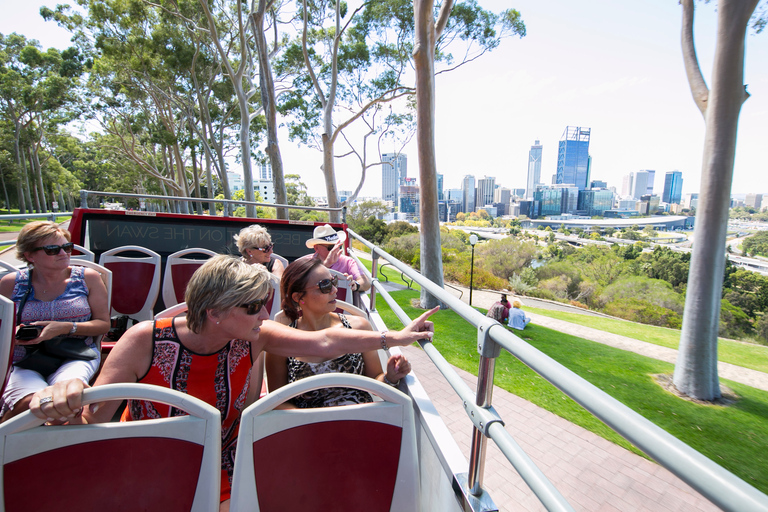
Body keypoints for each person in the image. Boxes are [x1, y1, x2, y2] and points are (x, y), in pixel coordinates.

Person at [28, 255, 436, 511]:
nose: (264, 315)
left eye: (265, 304)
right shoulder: (145, 340)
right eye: (252, 307)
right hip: (149, 461)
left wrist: (394, 338)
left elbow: (325, 341)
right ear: (215, 311)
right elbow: (91, 417)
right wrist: (60, 401)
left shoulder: (255, 336)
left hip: (227, 459)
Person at [0, 221, 110, 421]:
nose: (64, 253)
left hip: (75, 355)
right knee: (30, 403)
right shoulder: (11, 284)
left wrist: (64, 328)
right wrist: (14, 333)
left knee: (64, 404)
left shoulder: (87, 279)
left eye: (67, 247)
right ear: (29, 255)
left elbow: (103, 324)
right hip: (22, 359)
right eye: (53, 249)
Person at [266, 258, 410, 408]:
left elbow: (375, 380)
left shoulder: (359, 327)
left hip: (360, 420)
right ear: (298, 297)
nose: (335, 290)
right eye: (325, 285)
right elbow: (278, 402)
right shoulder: (281, 342)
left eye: (333, 281)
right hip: (308, 427)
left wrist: (390, 377)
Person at [304, 224, 370, 293]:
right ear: (316, 248)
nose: (336, 250)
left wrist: (355, 284)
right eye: (331, 247)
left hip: (341, 304)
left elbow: (366, 283)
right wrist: (324, 266)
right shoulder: (305, 262)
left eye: (338, 246)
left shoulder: (348, 262)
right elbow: (297, 284)